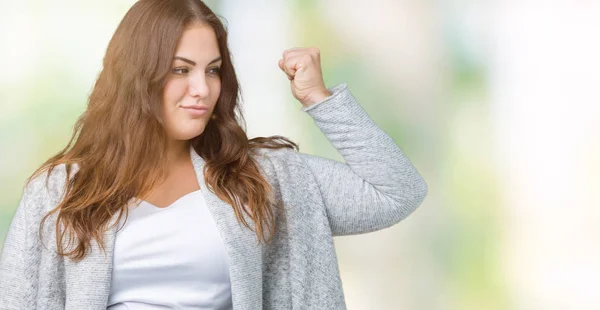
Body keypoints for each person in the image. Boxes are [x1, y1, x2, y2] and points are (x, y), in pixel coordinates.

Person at [0, 0, 428, 309]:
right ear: (136, 76)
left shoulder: (263, 178)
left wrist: (320, 98)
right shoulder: (60, 189)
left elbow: (397, 192)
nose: (202, 89)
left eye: (213, 70)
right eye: (180, 69)